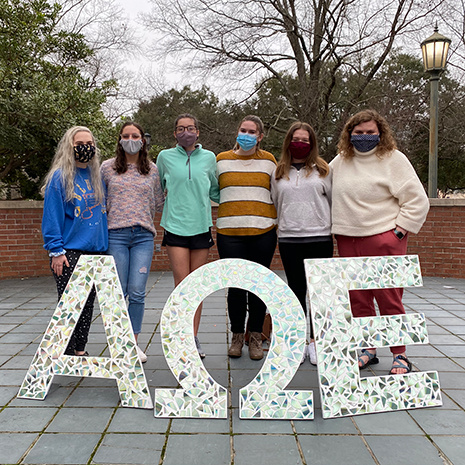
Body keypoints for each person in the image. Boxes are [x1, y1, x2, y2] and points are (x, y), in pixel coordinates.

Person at [331, 109, 430, 375]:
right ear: (349, 134)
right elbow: (322, 188)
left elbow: (417, 200)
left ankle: (400, 354)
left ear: (380, 133)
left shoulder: (393, 159)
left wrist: (399, 232)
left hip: (384, 237)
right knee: (358, 298)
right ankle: (368, 348)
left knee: (389, 298)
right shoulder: (340, 161)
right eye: (358, 132)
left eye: (370, 132)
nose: (364, 137)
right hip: (348, 238)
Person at [156, 114, 219, 359]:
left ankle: (193, 338)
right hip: (175, 227)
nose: (186, 132)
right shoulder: (165, 157)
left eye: (190, 128)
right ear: (175, 133)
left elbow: (215, 189)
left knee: (196, 287)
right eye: (181, 128)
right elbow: (158, 188)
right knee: (182, 286)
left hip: (201, 227)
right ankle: (180, 337)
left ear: (198, 131)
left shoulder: (210, 158)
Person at [101, 122, 164, 363]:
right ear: (119, 140)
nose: (130, 139)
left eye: (135, 135)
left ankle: (133, 344)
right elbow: (100, 200)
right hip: (115, 235)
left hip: (143, 237)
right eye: (125, 135)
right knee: (119, 290)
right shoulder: (107, 168)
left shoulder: (153, 170)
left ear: (143, 140)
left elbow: (158, 202)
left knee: (137, 292)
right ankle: (119, 341)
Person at [42, 126, 108, 356]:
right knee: (69, 306)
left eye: (89, 143)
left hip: (96, 252)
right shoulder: (59, 177)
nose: (85, 147)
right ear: (69, 147)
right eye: (79, 143)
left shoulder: (97, 177)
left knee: (88, 304)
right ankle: (63, 350)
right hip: (69, 252)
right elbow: (52, 216)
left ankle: (79, 349)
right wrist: (55, 250)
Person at [271, 122, 333, 365]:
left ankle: (317, 342)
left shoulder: (324, 170)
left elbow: (332, 200)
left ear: (312, 144)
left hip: (320, 237)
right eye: (296, 139)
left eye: (305, 140)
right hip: (289, 238)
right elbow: (276, 202)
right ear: (288, 142)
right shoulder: (278, 172)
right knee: (295, 290)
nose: (300, 143)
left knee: (319, 294)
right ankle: (297, 342)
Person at [216, 115, 278, 360]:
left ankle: (255, 337)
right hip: (229, 233)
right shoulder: (221, 160)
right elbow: (213, 189)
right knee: (236, 287)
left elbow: (276, 192)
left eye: (252, 131)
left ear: (260, 136)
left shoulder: (269, 161)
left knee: (258, 286)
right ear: (237, 132)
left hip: (262, 232)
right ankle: (236, 336)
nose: (247, 134)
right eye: (243, 129)